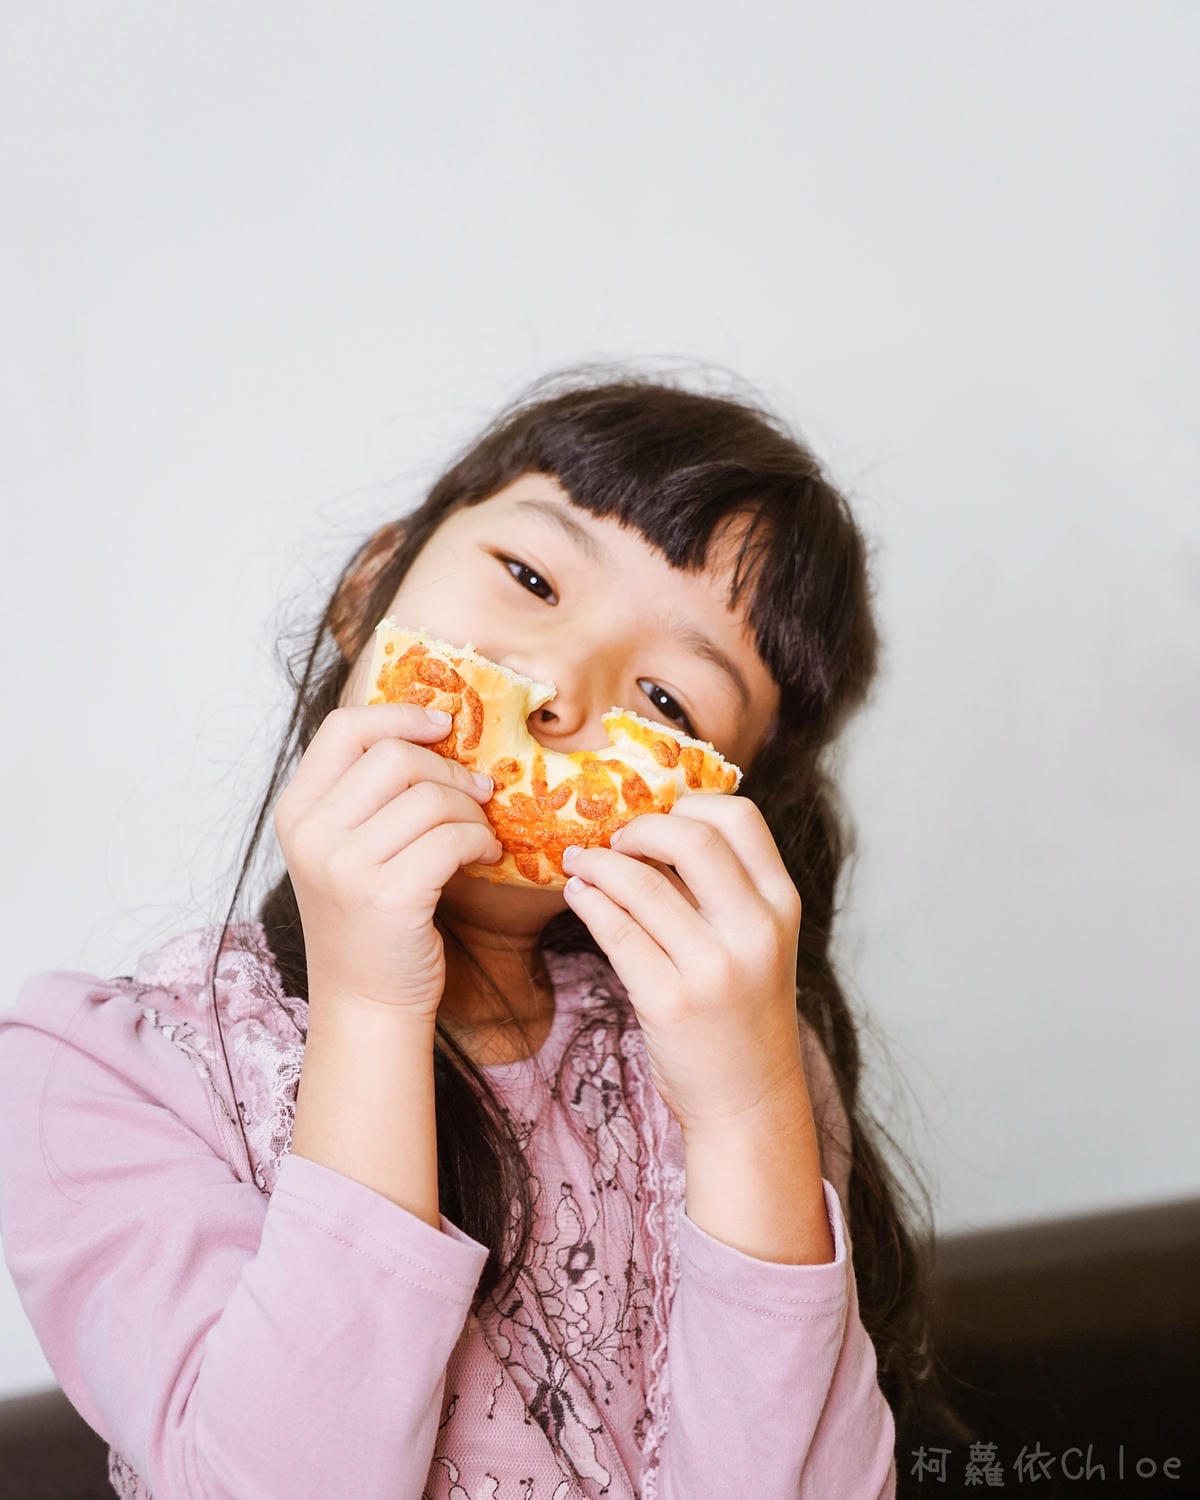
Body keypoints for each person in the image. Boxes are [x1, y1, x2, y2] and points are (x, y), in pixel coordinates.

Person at [0, 366, 966, 1498]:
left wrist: (753, 1111)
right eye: (528, 575)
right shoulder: (95, 1072)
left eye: (667, 702)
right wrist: (367, 1008)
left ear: (715, 803)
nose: (555, 688)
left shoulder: (742, 1073)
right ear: (373, 583)